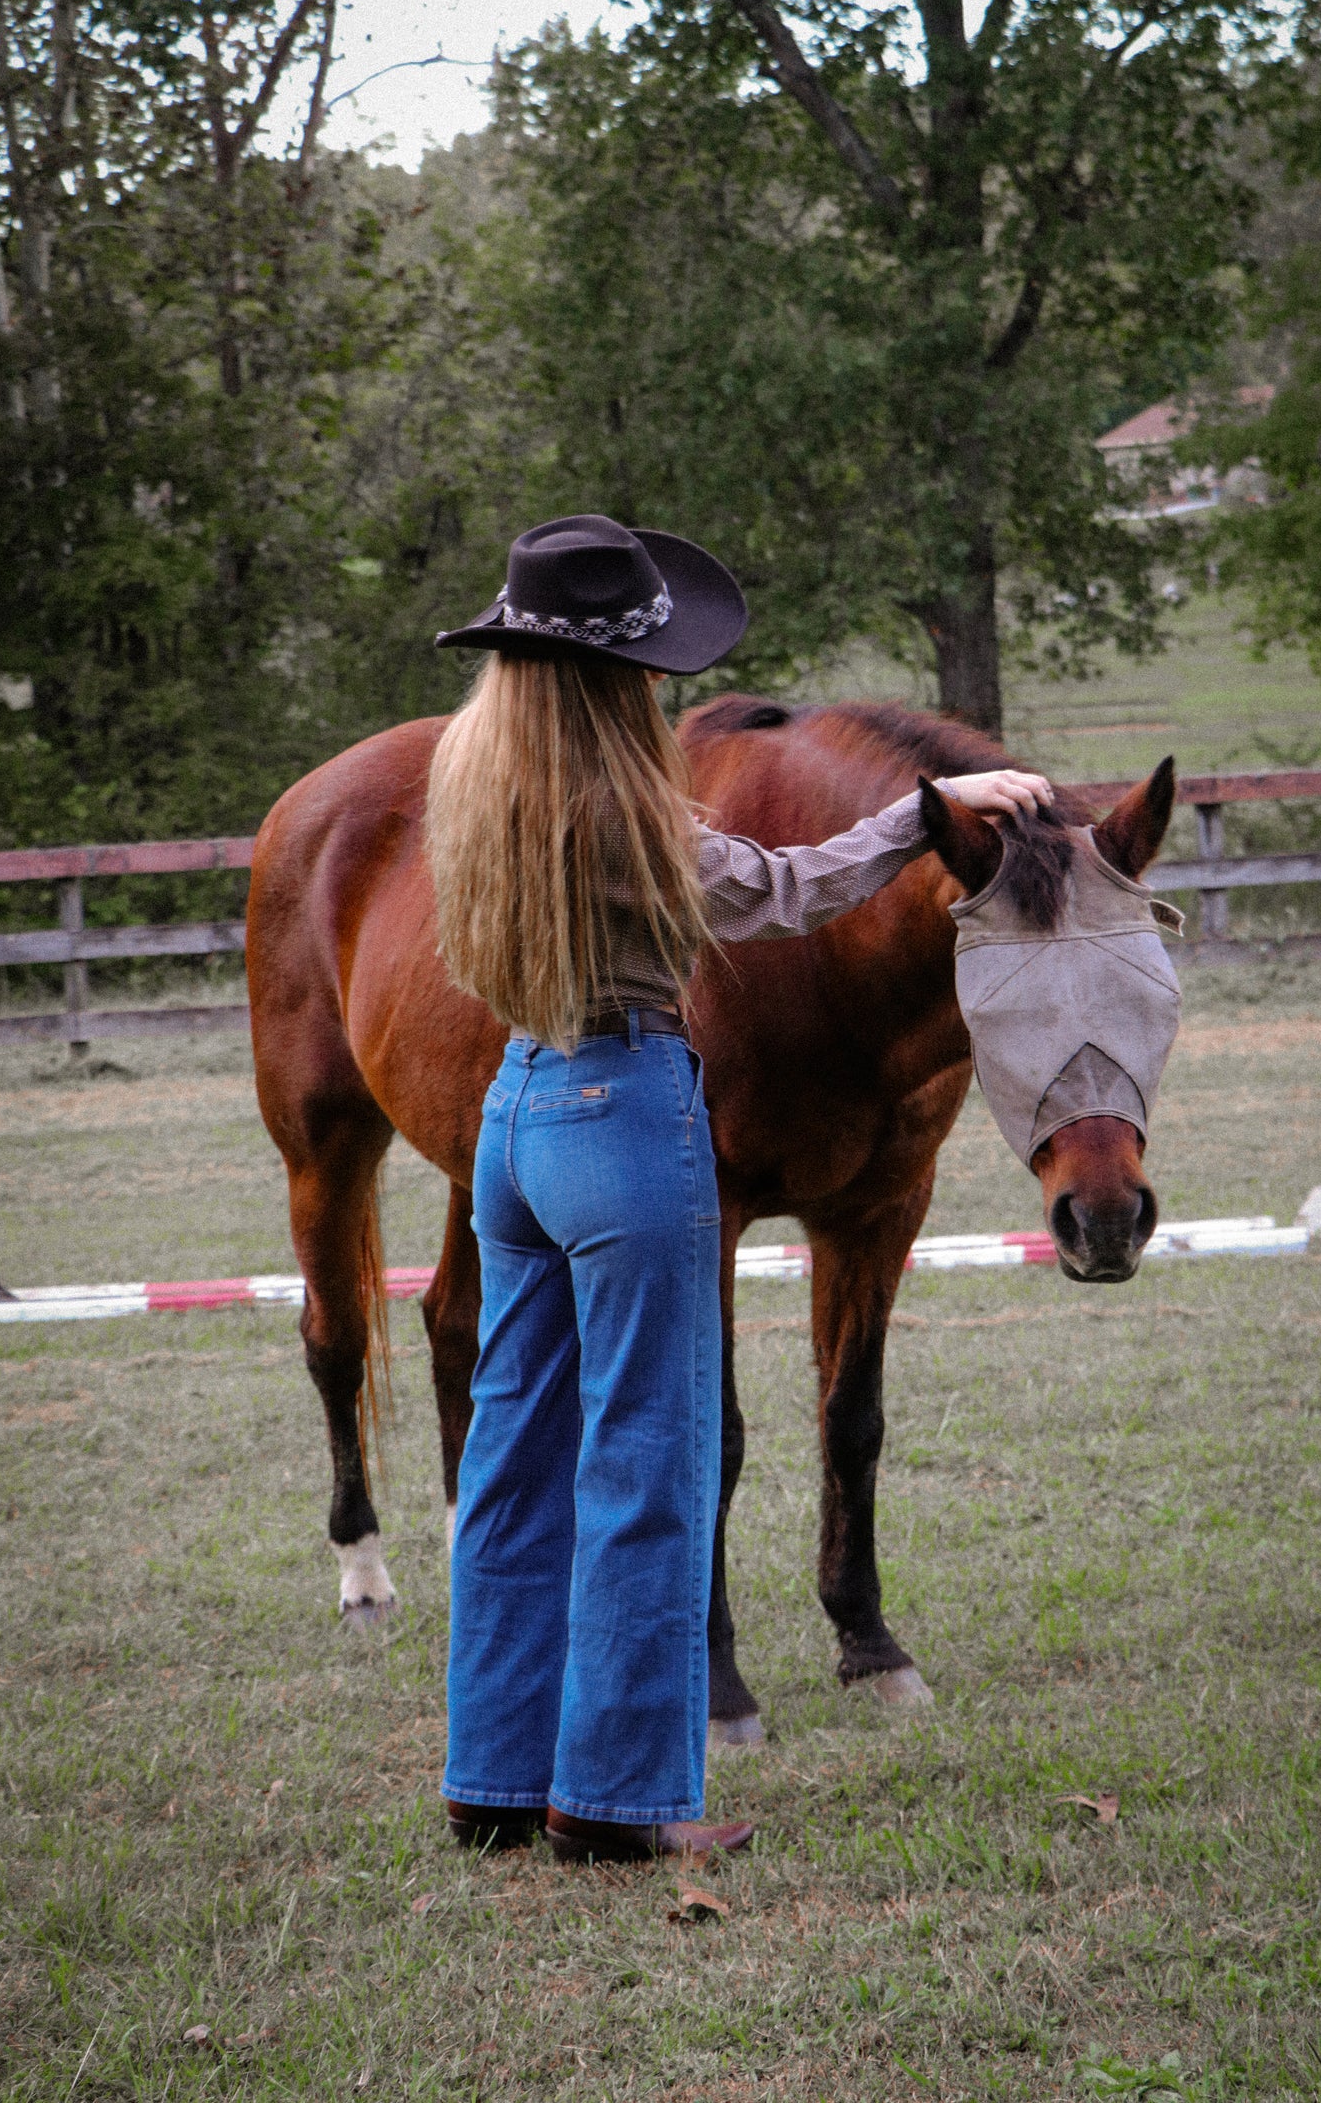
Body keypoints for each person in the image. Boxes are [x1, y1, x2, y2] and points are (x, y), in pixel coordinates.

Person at [424, 515, 1051, 1864]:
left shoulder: (477, 783)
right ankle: (615, 1808)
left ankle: (490, 1782)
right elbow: (775, 891)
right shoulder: (619, 803)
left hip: (516, 1116)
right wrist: (922, 822)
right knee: (646, 1462)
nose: (662, 687)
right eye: (645, 667)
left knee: (512, 1461)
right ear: (610, 680)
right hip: (623, 1111)